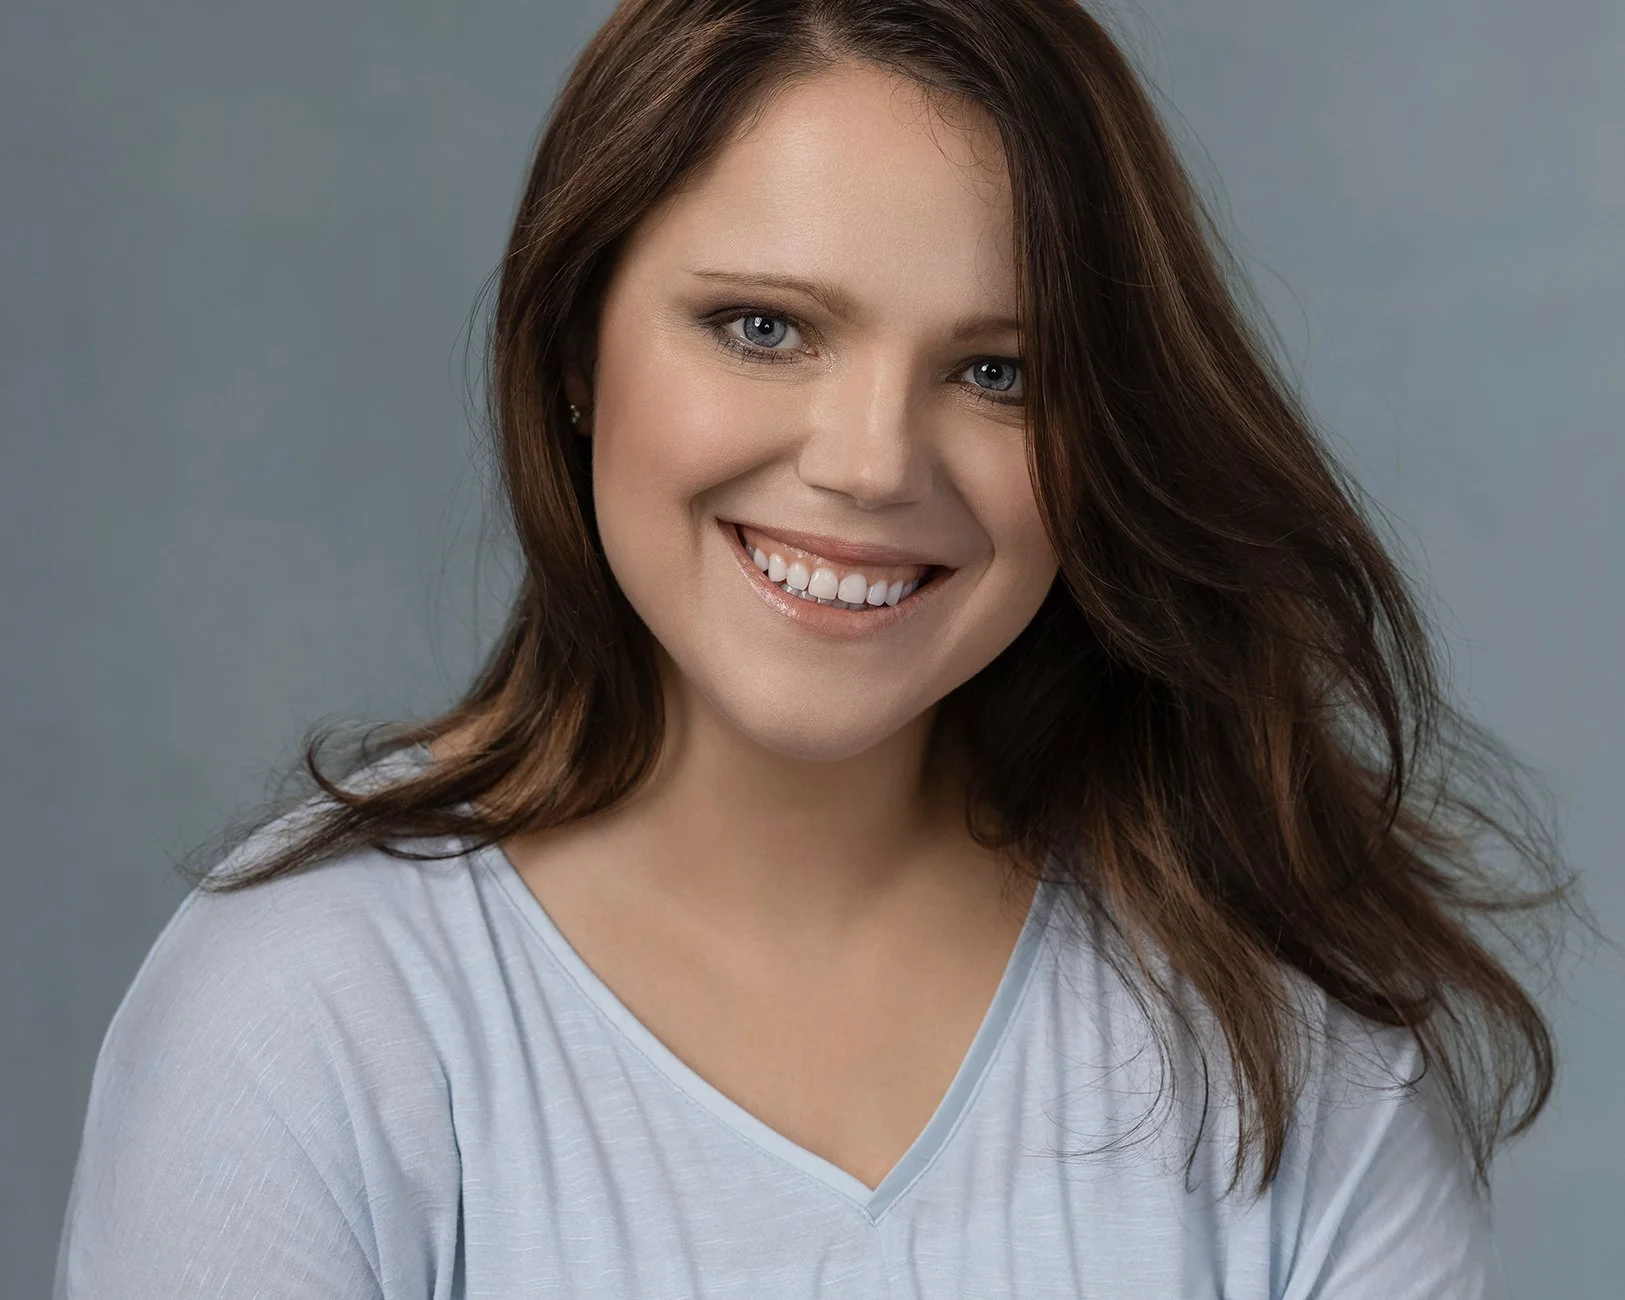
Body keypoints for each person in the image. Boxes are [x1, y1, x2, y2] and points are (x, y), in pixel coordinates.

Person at [54, 1, 1575, 1296]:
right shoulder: (303, 1012)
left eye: (999, 370)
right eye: (765, 328)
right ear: (577, 345)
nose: (869, 466)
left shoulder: (1291, 1053)